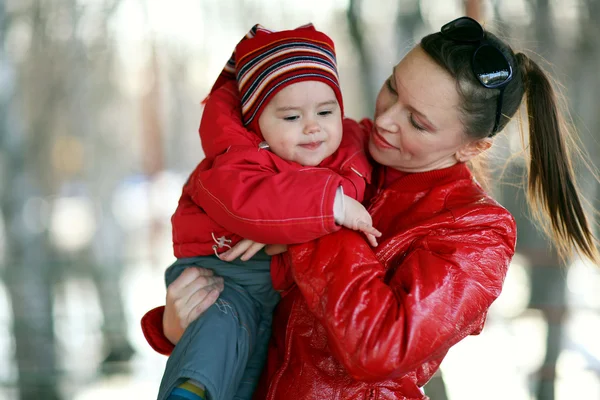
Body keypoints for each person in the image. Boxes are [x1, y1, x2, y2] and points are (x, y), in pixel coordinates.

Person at [143, 16, 600, 399]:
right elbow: (216, 187)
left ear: (471, 147)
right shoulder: (337, 146)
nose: (384, 119)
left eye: (416, 122)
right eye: (391, 88)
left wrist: (310, 220)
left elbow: (379, 347)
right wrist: (179, 323)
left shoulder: (476, 232)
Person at [144, 23, 382, 400]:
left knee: (251, 376)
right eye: (290, 117)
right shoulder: (234, 163)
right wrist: (330, 206)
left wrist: (316, 213)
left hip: (270, 291)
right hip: (226, 275)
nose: (312, 127)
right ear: (257, 125)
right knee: (221, 329)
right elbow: (252, 204)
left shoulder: (350, 145)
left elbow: (357, 179)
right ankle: (189, 392)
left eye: (325, 111)